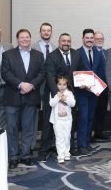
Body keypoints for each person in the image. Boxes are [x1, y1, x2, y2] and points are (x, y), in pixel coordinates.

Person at [1, 29, 45, 169]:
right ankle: (13, 156)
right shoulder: (8, 54)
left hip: (31, 96)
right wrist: (20, 84)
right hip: (12, 96)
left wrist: (31, 85)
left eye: (27, 37)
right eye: (22, 37)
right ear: (17, 39)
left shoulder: (38, 55)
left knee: (28, 128)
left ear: (30, 39)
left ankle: (26, 155)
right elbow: (5, 73)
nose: (25, 39)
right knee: (12, 128)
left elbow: (42, 73)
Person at [38, 33, 82, 162]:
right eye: (63, 41)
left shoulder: (76, 55)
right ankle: (44, 150)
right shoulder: (52, 56)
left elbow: (79, 73)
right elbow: (50, 77)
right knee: (49, 123)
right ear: (58, 42)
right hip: (53, 94)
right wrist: (59, 94)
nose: (66, 43)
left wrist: (84, 82)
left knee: (69, 121)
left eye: (68, 41)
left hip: (70, 95)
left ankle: (69, 148)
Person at [76, 28, 106, 156]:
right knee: (83, 118)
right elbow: (74, 72)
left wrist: (99, 86)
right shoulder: (77, 53)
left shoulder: (98, 53)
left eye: (91, 38)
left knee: (90, 118)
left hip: (94, 92)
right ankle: (81, 144)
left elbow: (100, 72)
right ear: (83, 38)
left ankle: (87, 142)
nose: (89, 40)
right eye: (87, 38)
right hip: (82, 92)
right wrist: (79, 84)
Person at [31, 22, 56, 150]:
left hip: (50, 87)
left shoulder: (54, 47)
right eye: (44, 30)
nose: (46, 32)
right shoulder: (33, 47)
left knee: (50, 114)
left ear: (51, 32)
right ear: (40, 32)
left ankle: (48, 141)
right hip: (36, 86)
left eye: (48, 30)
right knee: (34, 115)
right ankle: (32, 143)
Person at [49, 76, 76, 164]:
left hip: (67, 120)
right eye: (59, 84)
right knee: (59, 137)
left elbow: (73, 104)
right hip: (57, 120)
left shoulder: (69, 93)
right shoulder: (53, 93)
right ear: (56, 84)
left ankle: (66, 153)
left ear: (67, 85)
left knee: (67, 136)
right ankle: (60, 154)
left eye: (64, 84)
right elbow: (51, 104)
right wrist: (57, 97)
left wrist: (66, 98)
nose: (62, 86)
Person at [92, 31, 109, 142]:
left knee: (102, 111)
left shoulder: (106, 52)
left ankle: (99, 132)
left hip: (105, 87)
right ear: (93, 39)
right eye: (97, 38)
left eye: (101, 38)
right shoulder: (91, 52)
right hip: (94, 87)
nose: (99, 40)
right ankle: (91, 133)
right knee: (93, 111)